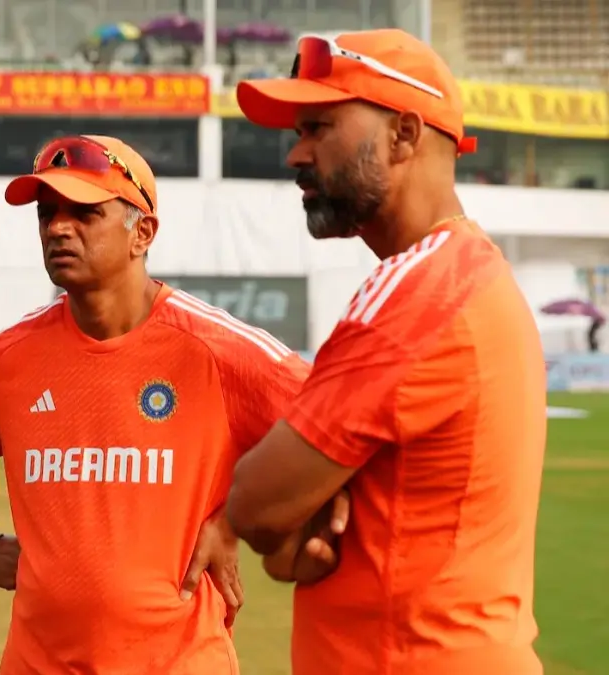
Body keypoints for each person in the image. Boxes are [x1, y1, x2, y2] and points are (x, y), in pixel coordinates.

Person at [0, 135, 311, 673]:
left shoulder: (216, 349)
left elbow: (336, 427)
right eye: (47, 213)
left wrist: (234, 520)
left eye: (85, 212)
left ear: (143, 233)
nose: (58, 227)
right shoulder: (10, 358)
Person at [224, 29, 547, 674]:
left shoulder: (416, 294)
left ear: (403, 134)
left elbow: (254, 507)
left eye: (319, 127)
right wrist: (307, 513)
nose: (296, 155)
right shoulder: (467, 271)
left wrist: (291, 518)